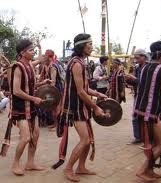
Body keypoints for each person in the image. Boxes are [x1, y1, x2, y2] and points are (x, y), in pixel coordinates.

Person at [54, 33, 107, 182]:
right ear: (81, 46)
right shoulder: (77, 63)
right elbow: (81, 91)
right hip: (74, 107)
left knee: (88, 139)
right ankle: (68, 168)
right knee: (84, 140)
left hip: (81, 105)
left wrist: (98, 94)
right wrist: (96, 107)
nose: (91, 46)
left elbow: (85, 88)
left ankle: (81, 167)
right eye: (89, 44)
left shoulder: (81, 62)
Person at [134, 41, 161, 181]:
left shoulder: (144, 67)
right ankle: (142, 170)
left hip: (140, 110)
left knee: (156, 144)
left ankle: (150, 171)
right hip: (152, 113)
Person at [10, 39, 50, 176]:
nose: (33, 52)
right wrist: (34, 98)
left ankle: (30, 163)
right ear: (22, 52)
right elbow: (16, 91)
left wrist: (43, 83)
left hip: (31, 107)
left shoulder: (30, 66)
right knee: (26, 137)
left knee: (35, 135)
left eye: (33, 50)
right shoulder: (17, 67)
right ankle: (15, 163)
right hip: (20, 108)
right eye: (31, 50)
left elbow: (29, 87)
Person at [124, 49, 148, 144]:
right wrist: (128, 79)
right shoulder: (138, 67)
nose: (136, 60)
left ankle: (149, 138)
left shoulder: (149, 68)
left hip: (146, 97)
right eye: (136, 58)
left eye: (138, 58)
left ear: (143, 57)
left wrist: (134, 78)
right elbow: (135, 82)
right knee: (135, 116)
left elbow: (147, 83)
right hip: (138, 95)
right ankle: (138, 137)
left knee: (147, 118)